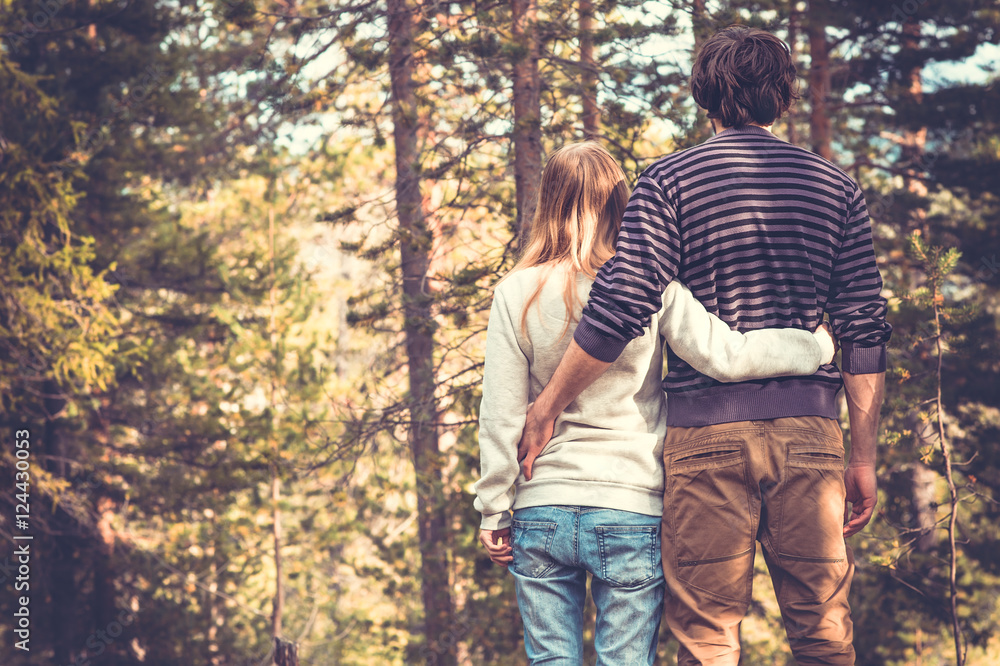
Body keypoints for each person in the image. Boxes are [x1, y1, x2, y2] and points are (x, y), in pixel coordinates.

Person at [516, 27, 892, 666]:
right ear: (784, 96)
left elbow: (621, 306)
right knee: (824, 632)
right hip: (809, 434)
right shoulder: (837, 188)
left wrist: (547, 404)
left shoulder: (666, 183)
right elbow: (863, 331)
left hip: (704, 441)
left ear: (705, 95)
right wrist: (861, 454)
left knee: (706, 640)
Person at [475, 141, 836, 665]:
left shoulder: (516, 292)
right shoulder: (654, 289)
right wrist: (817, 345)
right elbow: (728, 355)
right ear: (622, 205)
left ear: (547, 203)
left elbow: (503, 414)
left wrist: (493, 507)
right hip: (630, 503)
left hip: (542, 504)